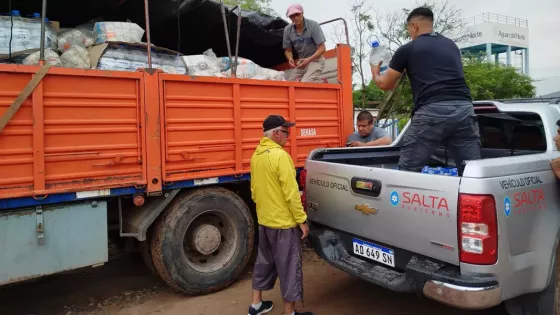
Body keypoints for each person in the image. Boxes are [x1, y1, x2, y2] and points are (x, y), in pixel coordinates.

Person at [369, 7, 481, 175]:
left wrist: (375, 73)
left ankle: (405, 200)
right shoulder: (451, 45)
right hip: (465, 109)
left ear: (414, 25)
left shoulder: (409, 48)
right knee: (471, 170)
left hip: (433, 110)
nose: (410, 35)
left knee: (409, 170)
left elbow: (386, 84)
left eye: (409, 30)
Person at [248, 114, 312, 315]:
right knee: (289, 267)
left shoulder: (256, 155)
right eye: (286, 132)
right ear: (276, 133)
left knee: (264, 262)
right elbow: (292, 194)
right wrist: (301, 220)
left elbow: (254, 191)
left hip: (265, 221)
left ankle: (256, 305)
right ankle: (289, 313)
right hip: (283, 224)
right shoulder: (281, 157)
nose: (288, 137)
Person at [283, 4, 326, 83]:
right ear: (289, 17)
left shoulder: (313, 25)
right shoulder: (287, 30)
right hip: (302, 64)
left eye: (297, 14)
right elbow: (288, 50)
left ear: (302, 13)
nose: (295, 18)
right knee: (289, 85)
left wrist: (309, 60)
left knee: (304, 83)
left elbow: (322, 48)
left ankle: (320, 81)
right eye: (292, 16)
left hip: (316, 61)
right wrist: (290, 59)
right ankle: (316, 81)